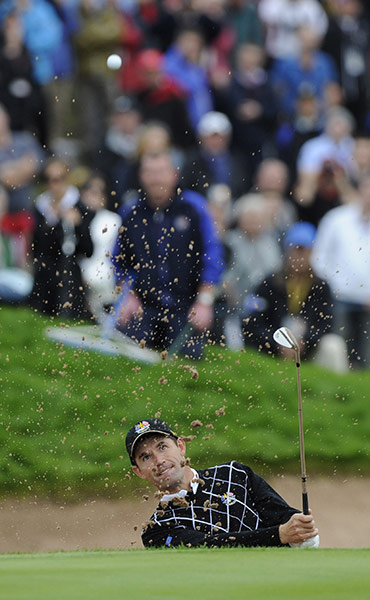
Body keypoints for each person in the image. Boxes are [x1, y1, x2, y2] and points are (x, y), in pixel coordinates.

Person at [125, 417, 320, 549]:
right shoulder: (155, 529)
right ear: (138, 471)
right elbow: (208, 546)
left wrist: (301, 527)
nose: (159, 460)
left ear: (181, 446)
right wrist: (279, 535)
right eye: (145, 457)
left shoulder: (234, 474)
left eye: (162, 447)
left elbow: (282, 516)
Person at [111, 151, 224, 357]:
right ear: (141, 176)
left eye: (161, 172)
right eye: (149, 172)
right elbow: (118, 260)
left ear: (174, 175)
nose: (156, 178)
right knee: (125, 353)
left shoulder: (193, 207)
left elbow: (213, 255)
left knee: (189, 357)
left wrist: (204, 301)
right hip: (144, 305)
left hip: (185, 306)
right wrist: (127, 296)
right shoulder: (131, 211)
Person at [243, 221, 348, 373]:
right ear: (287, 251)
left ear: (313, 252)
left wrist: (304, 341)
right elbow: (252, 323)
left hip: (308, 348)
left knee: (334, 344)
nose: (300, 255)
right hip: (272, 351)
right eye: (296, 250)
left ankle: (337, 394)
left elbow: (327, 324)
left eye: (305, 250)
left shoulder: (321, 286)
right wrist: (277, 343)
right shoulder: (269, 283)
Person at [311, 174, 370, 369]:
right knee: (339, 349)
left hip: (368, 300)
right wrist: (333, 287)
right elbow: (319, 257)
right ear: (359, 189)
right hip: (338, 297)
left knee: (366, 355)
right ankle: (337, 392)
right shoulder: (337, 219)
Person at [30, 158, 94, 318]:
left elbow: (88, 249)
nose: (53, 185)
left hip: (69, 272)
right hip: (45, 275)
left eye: (58, 180)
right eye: (48, 180)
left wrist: (77, 225)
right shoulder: (41, 207)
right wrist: (51, 223)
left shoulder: (79, 206)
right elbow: (37, 248)